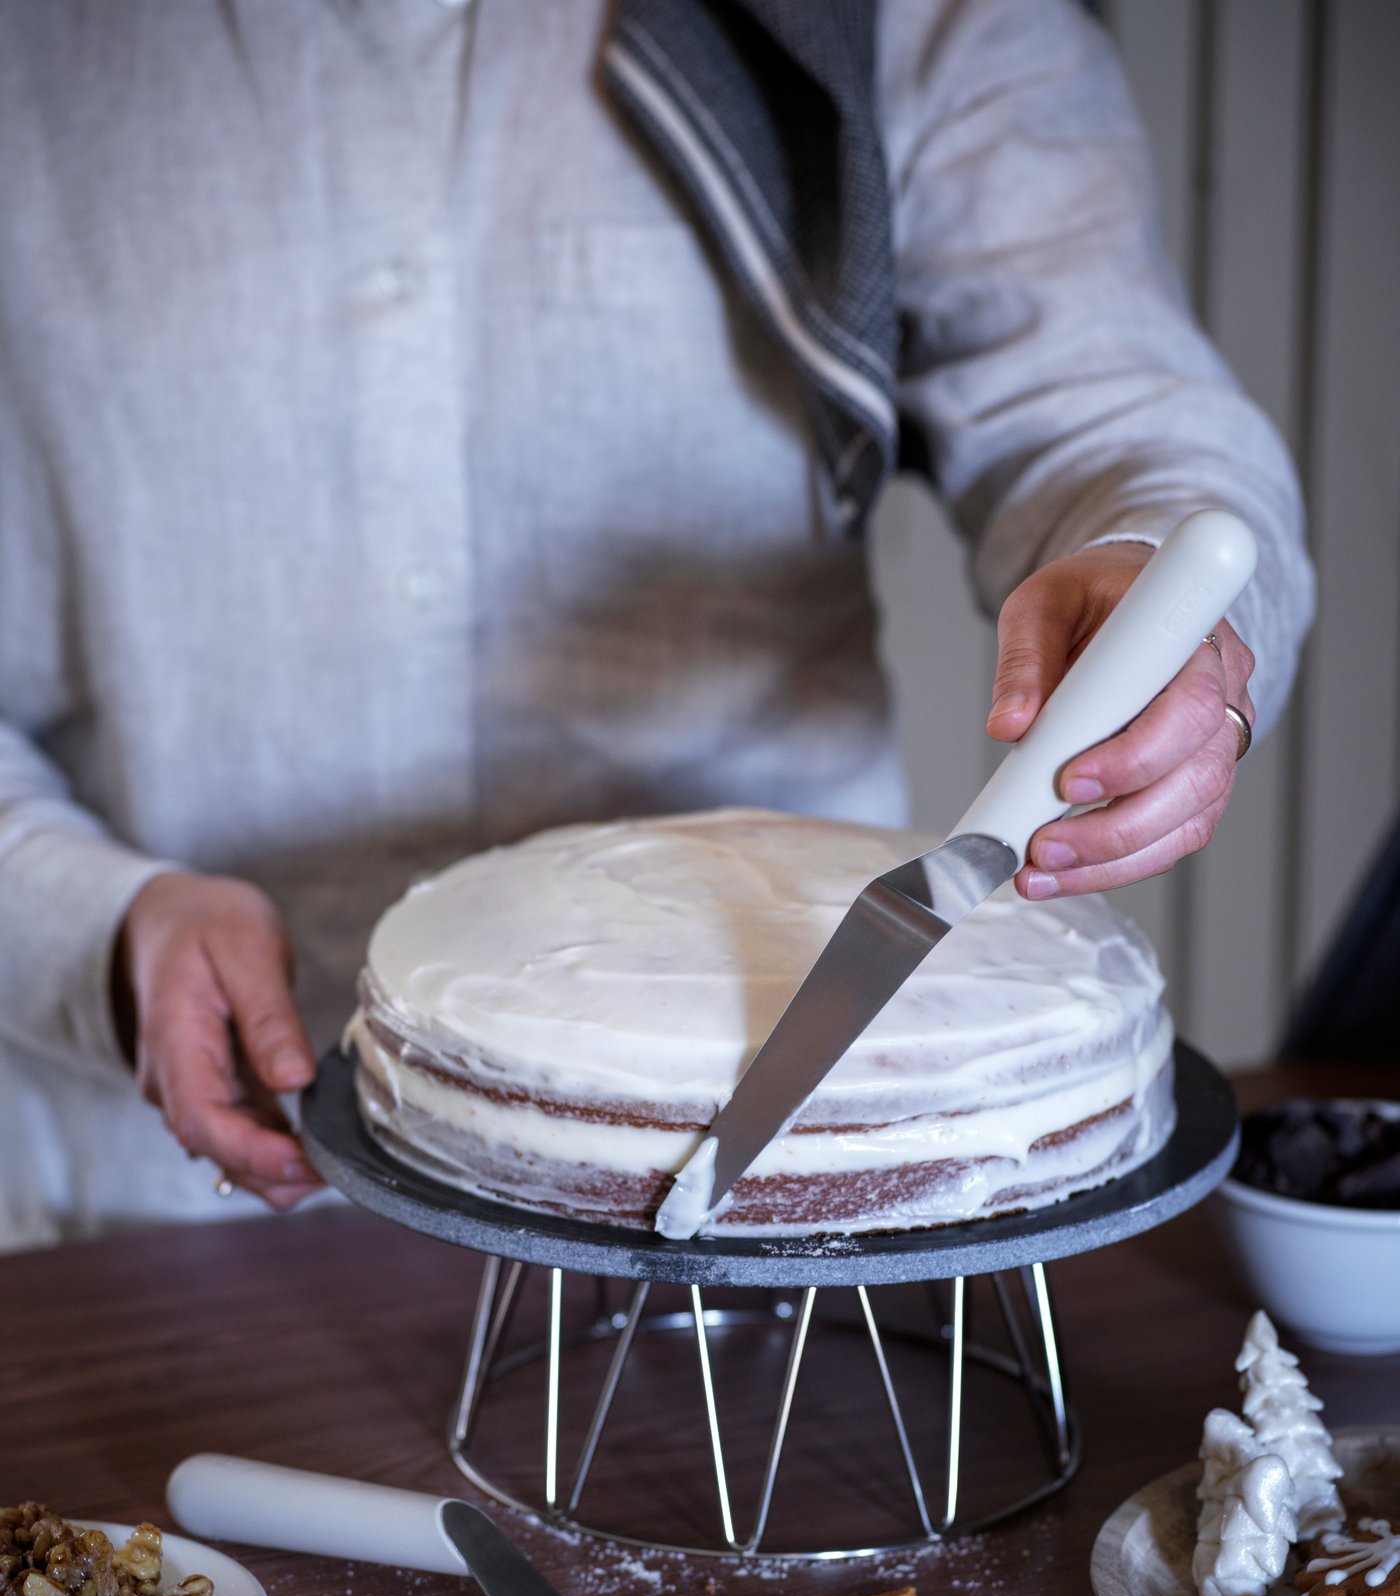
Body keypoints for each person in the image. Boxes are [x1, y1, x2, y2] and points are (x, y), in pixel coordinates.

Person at [0, 0, 1312, 1249]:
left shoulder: (865, 17)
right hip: (166, 1203)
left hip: (820, 1184)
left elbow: (1110, 406)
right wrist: (93, 927)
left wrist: (1160, 563)